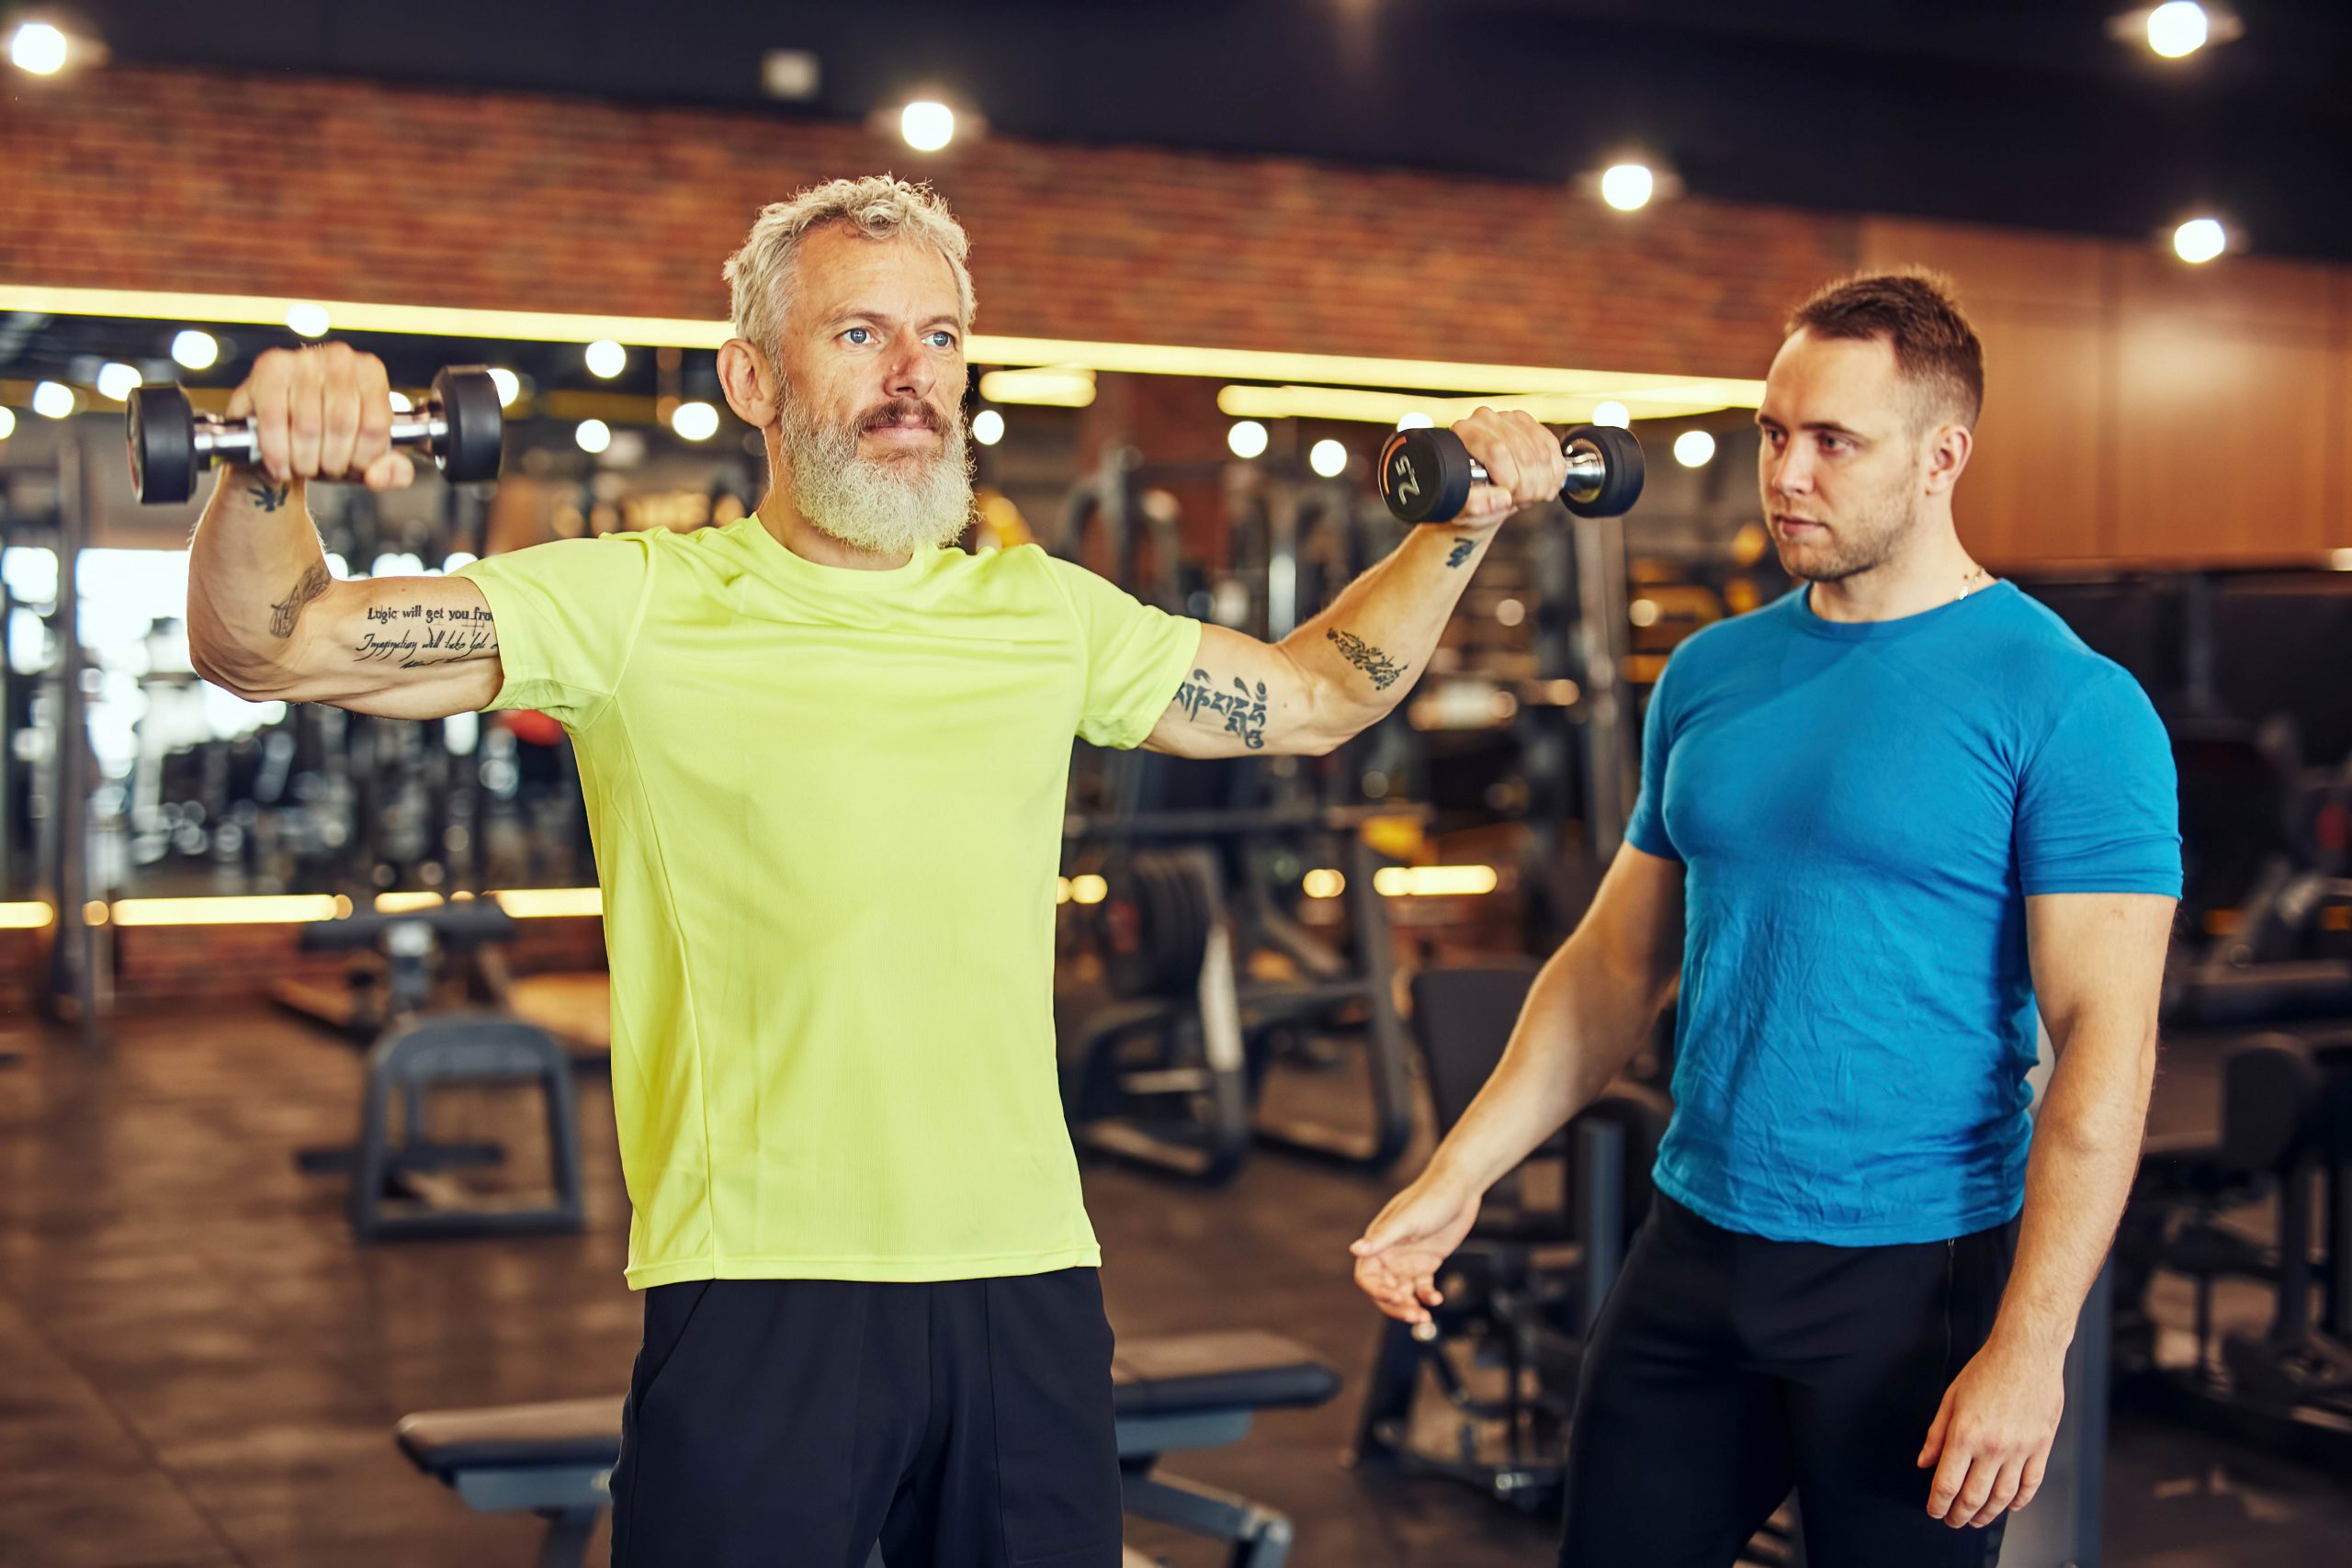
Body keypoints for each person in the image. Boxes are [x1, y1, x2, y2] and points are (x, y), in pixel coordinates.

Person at [183, 175, 1572, 1568]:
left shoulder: (1043, 614)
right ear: (751, 379)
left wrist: (1460, 522)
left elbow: (1315, 696)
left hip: (1028, 1272)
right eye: (860, 335)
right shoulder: (631, 602)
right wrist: (266, 464)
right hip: (763, 1283)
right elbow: (278, 641)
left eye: (944, 337)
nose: (916, 376)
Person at [1351, 270, 2180, 1567]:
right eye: (1773, 433)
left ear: (1941, 456)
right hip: (1694, 1250)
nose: (1786, 473)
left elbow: (2104, 1048)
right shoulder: (1709, 673)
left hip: (1915, 1278)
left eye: (1834, 442)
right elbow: (1612, 968)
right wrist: (1459, 1175)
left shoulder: (2069, 702)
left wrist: (2030, 1345)